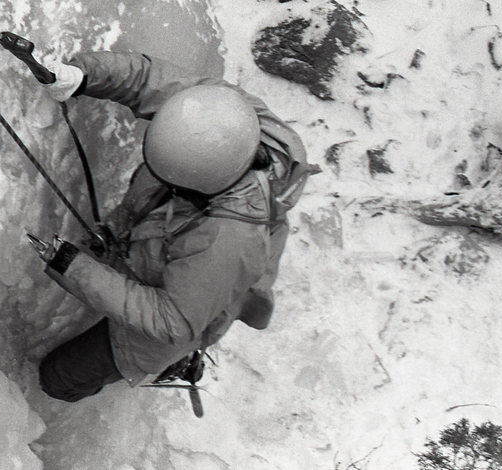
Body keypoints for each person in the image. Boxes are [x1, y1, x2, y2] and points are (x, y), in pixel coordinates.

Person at [29, 51, 313, 402]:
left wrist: (75, 269)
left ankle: (175, 364)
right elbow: (147, 81)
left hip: (181, 313)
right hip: (176, 259)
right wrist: (83, 75)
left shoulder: (228, 240)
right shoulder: (225, 115)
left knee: (59, 378)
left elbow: (172, 320)